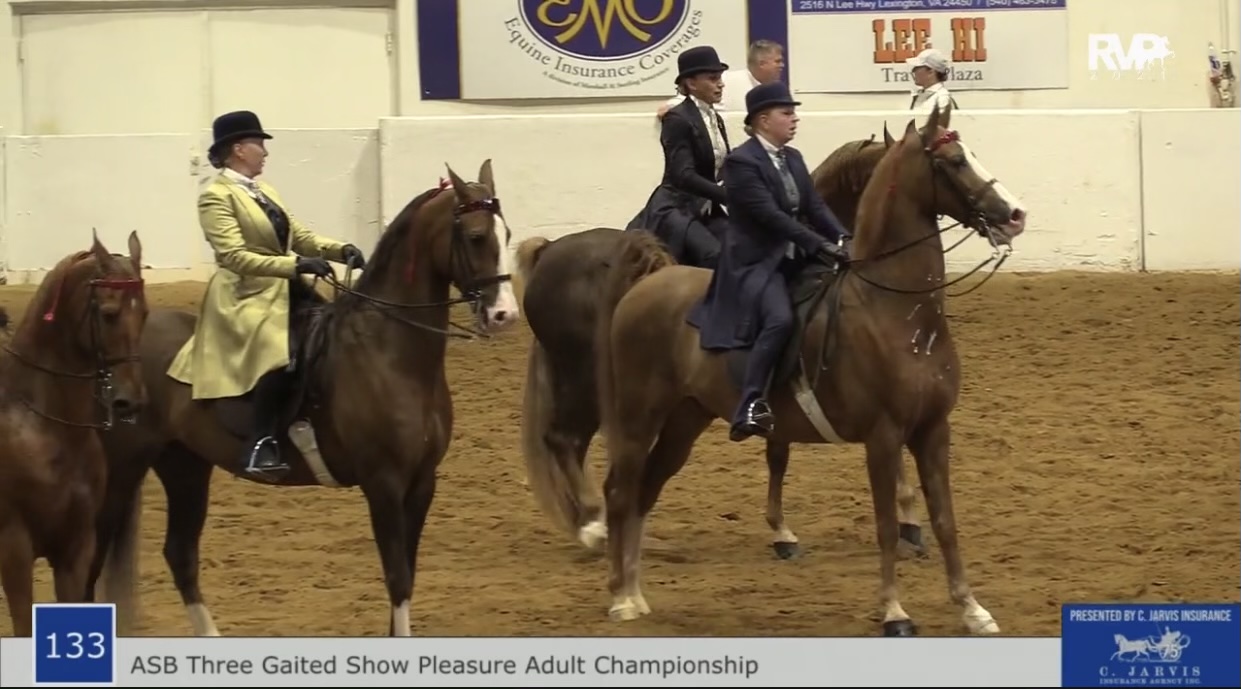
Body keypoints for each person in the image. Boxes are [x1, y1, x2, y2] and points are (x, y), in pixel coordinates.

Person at [166, 110, 366, 481]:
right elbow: (233, 257)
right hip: (243, 295)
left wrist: (340, 250)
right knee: (280, 355)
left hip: (285, 288)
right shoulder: (215, 196)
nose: (265, 152)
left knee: (329, 338)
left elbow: (300, 237)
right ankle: (261, 441)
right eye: (259, 144)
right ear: (238, 149)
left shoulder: (265, 191)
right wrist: (296, 265)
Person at [686, 82, 850, 442]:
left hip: (794, 258)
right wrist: (821, 244)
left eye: (793, 113)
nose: (794, 119)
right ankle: (751, 402)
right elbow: (771, 217)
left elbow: (814, 206)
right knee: (780, 319)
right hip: (755, 262)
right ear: (763, 120)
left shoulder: (793, 158)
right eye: (786, 113)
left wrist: (843, 237)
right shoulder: (741, 163)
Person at [626, 45, 732, 268]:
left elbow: (723, 165)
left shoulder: (716, 119)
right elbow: (683, 175)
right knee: (713, 254)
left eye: (720, 77)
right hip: (678, 206)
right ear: (692, 84)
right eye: (713, 78)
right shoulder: (677, 119)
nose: (721, 84)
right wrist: (724, 195)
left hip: (706, 207)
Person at [656, 40, 787, 119]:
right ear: (762, 63)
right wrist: (672, 105)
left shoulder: (777, 90)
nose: (782, 65)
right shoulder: (730, 80)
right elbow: (691, 95)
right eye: (778, 61)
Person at [906, 48, 959, 115]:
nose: (913, 71)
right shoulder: (921, 96)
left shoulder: (942, 99)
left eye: (917, 67)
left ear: (931, 71)